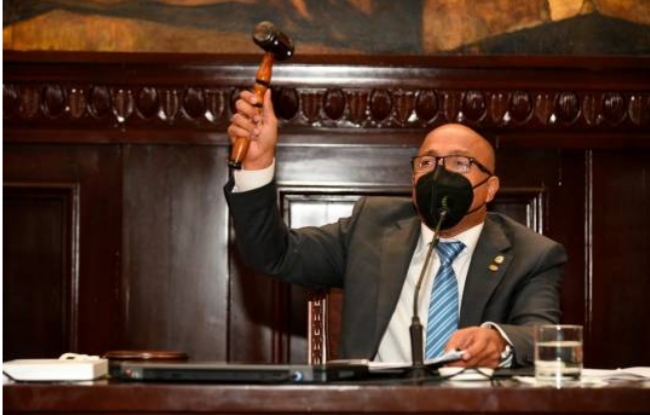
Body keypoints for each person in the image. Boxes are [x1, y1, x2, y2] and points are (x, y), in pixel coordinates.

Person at [224, 89, 567, 369]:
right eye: (427, 162)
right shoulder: (371, 227)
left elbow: (544, 336)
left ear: (490, 189)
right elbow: (274, 254)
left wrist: (499, 341)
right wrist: (256, 165)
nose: (439, 175)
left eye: (460, 163)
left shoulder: (531, 255)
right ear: (413, 180)